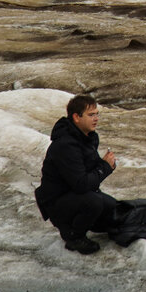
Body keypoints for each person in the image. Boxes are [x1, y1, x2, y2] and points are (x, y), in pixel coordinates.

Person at [34, 95, 119, 255]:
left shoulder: (87, 138)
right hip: (56, 202)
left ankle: (90, 225)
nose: (96, 119)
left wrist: (104, 165)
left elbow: (88, 175)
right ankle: (73, 236)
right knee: (93, 202)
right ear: (76, 117)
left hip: (73, 195)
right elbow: (81, 184)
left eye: (97, 114)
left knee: (112, 208)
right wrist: (105, 167)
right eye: (91, 115)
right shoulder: (66, 145)